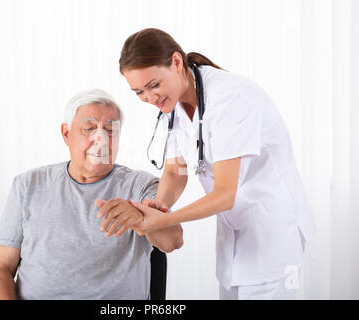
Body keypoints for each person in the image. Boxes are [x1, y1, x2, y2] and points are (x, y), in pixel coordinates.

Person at [97, 28, 316, 300]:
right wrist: (157, 205)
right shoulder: (172, 104)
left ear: (176, 63)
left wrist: (165, 219)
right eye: (139, 92)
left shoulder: (231, 98)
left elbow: (225, 194)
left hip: (272, 237)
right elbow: (176, 172)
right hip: (236, 240)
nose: (150, 98)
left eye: (154, 85)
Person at [0, 88, 183, 300]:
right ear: (66, 134)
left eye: (110, 131)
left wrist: (143, 219)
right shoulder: (27, 185)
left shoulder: (141, 186)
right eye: (89, 129)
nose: (101, 140)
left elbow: (172, 241)